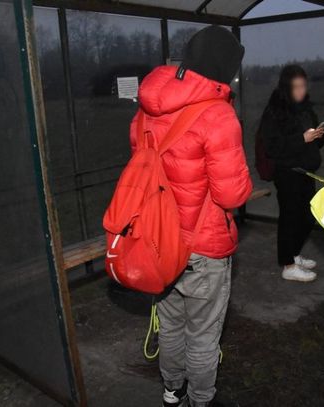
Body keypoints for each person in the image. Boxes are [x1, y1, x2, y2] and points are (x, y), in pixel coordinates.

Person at [133, 26, 252, 407]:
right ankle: (202, 400)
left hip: (157, 240)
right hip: (203, 246)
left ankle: (172, 392)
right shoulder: (219, 115)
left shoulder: (147, 106)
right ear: (224, 67)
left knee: (170, 325)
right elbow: (231, 194)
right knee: (202, 335)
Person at [259, 65, 324, 282]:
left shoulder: (305, 108)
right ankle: (288, 265)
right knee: (290, 218)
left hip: (306, 172)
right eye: (296, 87)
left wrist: (319, 135)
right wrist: (302, 139)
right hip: (287, 172)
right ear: (286, 87)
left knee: (307, 217)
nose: (301, 91)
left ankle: (294, 254)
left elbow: (315, 140)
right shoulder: (275, 110)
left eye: (303, 86)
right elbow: (272, 146)